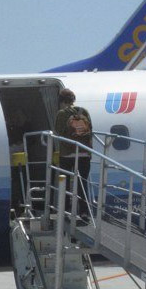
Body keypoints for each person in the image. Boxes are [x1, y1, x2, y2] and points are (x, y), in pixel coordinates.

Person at [54, 88, 92, 219]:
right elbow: (90, 129)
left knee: (65, 183)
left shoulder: (62, 113)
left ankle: (64, 211)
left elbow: (58, 131)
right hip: (84, 153)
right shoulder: (84, 111)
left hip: (67, 154)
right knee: (82, 183)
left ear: (61, 101)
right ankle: (84, 212)